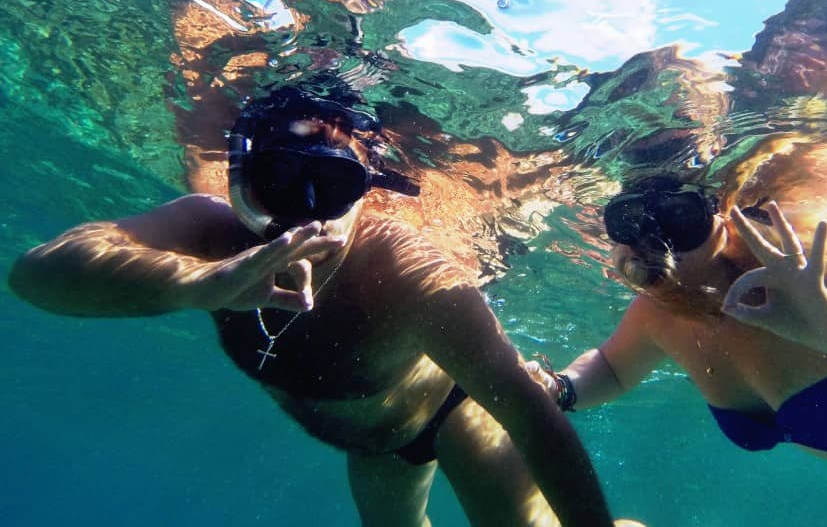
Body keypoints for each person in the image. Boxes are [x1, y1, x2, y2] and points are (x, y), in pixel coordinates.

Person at [9, 84, 639, 527]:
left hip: (455, 415)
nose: (303, 219)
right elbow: (34, 276)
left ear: (370, 192)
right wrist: (189, 284)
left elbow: (530, 414)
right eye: (280, 182)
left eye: (333, 186)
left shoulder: (406, 268)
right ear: (239, 180)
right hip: (372, 447)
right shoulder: (208, 235)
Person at [528, 170, 827, 507]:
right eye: (629, 224)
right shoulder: (658, 313)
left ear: (721, 211)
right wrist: (560, 389)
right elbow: (614, 366)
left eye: (680, 219)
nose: (653, 246)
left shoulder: (815, 263)